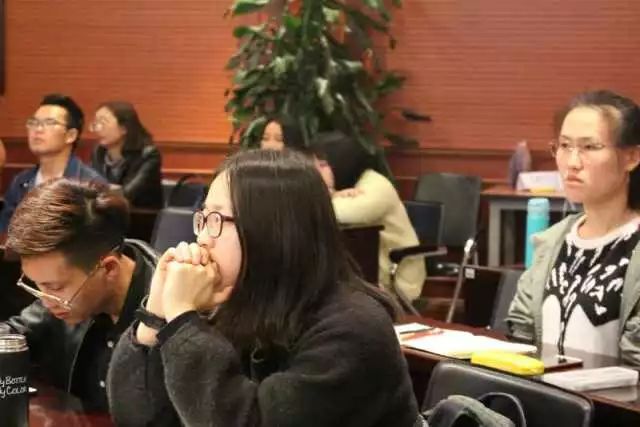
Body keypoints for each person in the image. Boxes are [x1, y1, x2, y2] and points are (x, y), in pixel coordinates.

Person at [107, 149, 421, 427]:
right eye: (202, 218)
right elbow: (136, 418)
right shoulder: (232, 300)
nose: (202, 238)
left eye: (217, 219)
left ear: (272, 231)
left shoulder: (353, 330)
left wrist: (181, 321)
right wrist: (155, 316)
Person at [0, 179, 158, 411]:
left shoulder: (171, 310)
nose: (45, 300)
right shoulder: (61, 293)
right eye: (37, 285)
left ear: (109, 269)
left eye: (54, 287)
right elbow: (12, 335)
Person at [508, 90, 640, 365]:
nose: (572, 163)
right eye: (565, 146)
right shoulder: (551, 242)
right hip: (540, 391)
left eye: (590, 147)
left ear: (631, 157)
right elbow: (520, 336)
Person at [311, 132, 426, 303]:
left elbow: (340, 213)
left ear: (342, 162)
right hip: (357, 276)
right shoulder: (343, 186)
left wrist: (327, 196)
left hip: (393, 274)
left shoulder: (376, 185)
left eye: (323, 165)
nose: (316, 172)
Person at [0, 94, 105, 233]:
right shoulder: (21, 181)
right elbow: (5, 232)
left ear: (71, 135)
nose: (38, 129)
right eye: (33, 122)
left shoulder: (90, 184)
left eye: (49, 123)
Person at [90, 101, 163, 209]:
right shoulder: (99, 152)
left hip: (139, 214)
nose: (97, 129)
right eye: (96, 123)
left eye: (103, 123)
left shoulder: (148, 154)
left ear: (123, 128)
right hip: (104, 212)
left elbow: (127, 194)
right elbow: (92, 188)